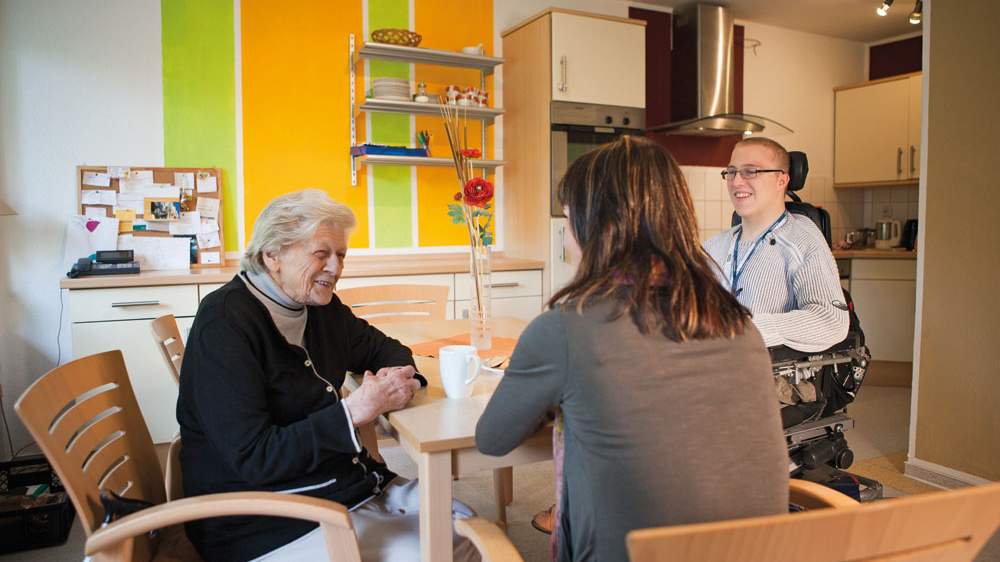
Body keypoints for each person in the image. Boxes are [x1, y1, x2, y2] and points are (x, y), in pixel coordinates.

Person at [475, 136, 789, 562]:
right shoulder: (738, 322)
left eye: (568, 221)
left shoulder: (566, 330)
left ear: (595, 227)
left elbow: (492, 439)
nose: (566, 242)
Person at [177, 189, 478, 562]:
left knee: (468, 526)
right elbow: (255, 458)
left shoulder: (320, 307)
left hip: (339, 486)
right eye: (321, 254)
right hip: (263, 521)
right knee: (437, 550)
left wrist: (400, 380)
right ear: (272, 256)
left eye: (340, 256)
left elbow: (384, 347)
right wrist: (354, 412)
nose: (336, 269)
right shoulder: (224, 325)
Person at [703, 137, 849, 352]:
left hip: (771, 377)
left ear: (782, 180)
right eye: (731, 172)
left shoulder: (802, 240)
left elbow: (830, 321)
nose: (736, 182)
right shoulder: (714, 246)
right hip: (714, 367)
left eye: (750, 171)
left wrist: (745, 328)